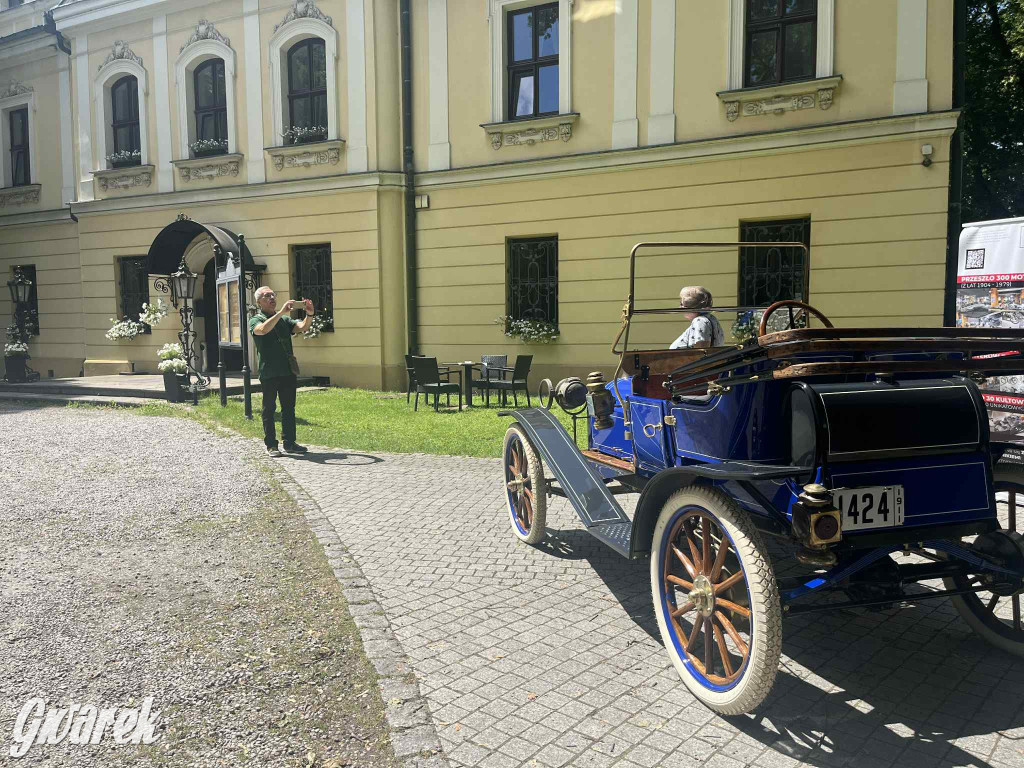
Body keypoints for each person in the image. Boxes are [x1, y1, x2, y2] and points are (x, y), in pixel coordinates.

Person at [249, 286, 315, 457]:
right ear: (258, 302)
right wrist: (280, 313)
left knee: (288, 408)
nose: (271, 298)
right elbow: (262, 330)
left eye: (273, 295)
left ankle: (290, 443)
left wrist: (309, 314)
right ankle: (271, 445)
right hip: (269, 372)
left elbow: (302, 327)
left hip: (287, 370)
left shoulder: (284, 321)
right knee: (269, 409)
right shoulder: (256, 319)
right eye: (266, 296)